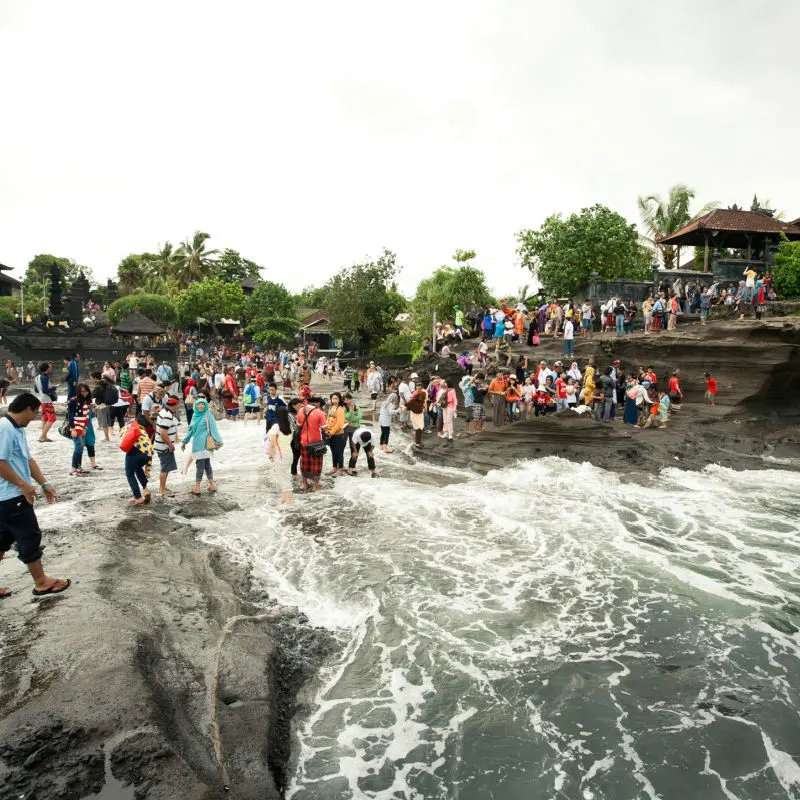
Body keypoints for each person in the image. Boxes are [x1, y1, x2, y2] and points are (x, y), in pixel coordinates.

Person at [0, 393, 70, 598]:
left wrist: (44, 483)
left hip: (9, 497)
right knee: (29, 536)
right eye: (36, 412)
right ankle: (41, 582)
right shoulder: (5, 429)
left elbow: (28, 459)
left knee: (2, 540)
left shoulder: (16, 428)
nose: (35, 417)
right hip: (11, 497)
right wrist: (22, 484)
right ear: (28, 409)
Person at [182, 397, 221, 494]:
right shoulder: (195, 415)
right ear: (196, 406)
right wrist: (184, 441)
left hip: (205, 444)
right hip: (197, 443)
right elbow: (190, 430)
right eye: (199, 404)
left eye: (203, 404)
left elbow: (213, 429)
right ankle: (212, 485)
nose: (201, 406)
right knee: (206, 464)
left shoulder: (208, 415)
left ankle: (197, 488)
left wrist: (218, 442)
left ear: (205, 405)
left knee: (200, 465)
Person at [296, 396, 327, 491]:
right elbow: (325, 428)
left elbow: (298, 426)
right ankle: (315, 485)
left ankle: (304, 483)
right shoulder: (320, 413)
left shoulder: (300, 411)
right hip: (316, 443)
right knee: (317, 464)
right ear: (317, 403)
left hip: (304, 441)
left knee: (304, 463)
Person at [122, 416, 154, 504]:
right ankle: (146, 489)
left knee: (129, 473)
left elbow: (125, 442)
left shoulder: (128, 428)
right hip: (148, 453)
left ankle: (138, 497)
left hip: (135, 453)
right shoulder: (143, 431)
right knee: (138, 468)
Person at [266, 405, 294, 504]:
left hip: (280, 454)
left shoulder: (276, 426)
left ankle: (288, 501)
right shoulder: (289, 426)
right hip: (289, 453)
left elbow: (272, 443)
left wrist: (270, 454)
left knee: (282, 477)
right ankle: (286, 498)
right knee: (286, 475)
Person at [154, 396, 180, 497]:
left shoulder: (163, 411)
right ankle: (161, 490)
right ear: (176, 404)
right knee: (165, 468)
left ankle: (163, 487)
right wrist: (170, 445)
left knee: (166, 467)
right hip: (164, 446)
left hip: (161, 444)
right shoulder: (167, 415)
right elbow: (163, 433)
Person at [67, 383, 94, 477]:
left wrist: (85, 428)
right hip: (75, 427)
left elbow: (86, 416)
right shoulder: (72, 401)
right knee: (78, 447)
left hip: (82, 427)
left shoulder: (86, 402)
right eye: (82, 391)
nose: (85, 393)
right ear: (78, 392)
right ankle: (73, 468)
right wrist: (73, 429)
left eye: (86, 391)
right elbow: (70, 416)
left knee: (81, 447)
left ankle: (78, 467)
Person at [324, 392, 347, 477]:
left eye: (336, 399)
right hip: (330, 433)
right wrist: (327, 431)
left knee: (339, 452)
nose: (334, 400)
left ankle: (340, 469)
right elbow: (327, 420)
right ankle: (334, 468)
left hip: (338, 434)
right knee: (333, 451)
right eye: (333, 398)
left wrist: (331, 432)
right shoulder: (330, 407)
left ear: (339, 399)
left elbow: (339, 423)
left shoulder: (340, 409)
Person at [34, 362, 58, 442]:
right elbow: (45, 390)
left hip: (41, 399)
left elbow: (36, 390)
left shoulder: (37, 377)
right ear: (47, 369)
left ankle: (44, 437)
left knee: (45, 418)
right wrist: (53, 388)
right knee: (52, 418)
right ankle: (42, 436)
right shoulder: (45, 377)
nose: (50, 368)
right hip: (47, 400)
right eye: (49, 367)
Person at [378, 378, 399, 453]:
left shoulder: (384, 402)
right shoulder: (390, 404)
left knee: (382, 433)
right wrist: (398, 410)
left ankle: (381, 446)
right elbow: (391, 412)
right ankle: (385, 448)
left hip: (381, 420)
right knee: (386, 434)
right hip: (386, 421)